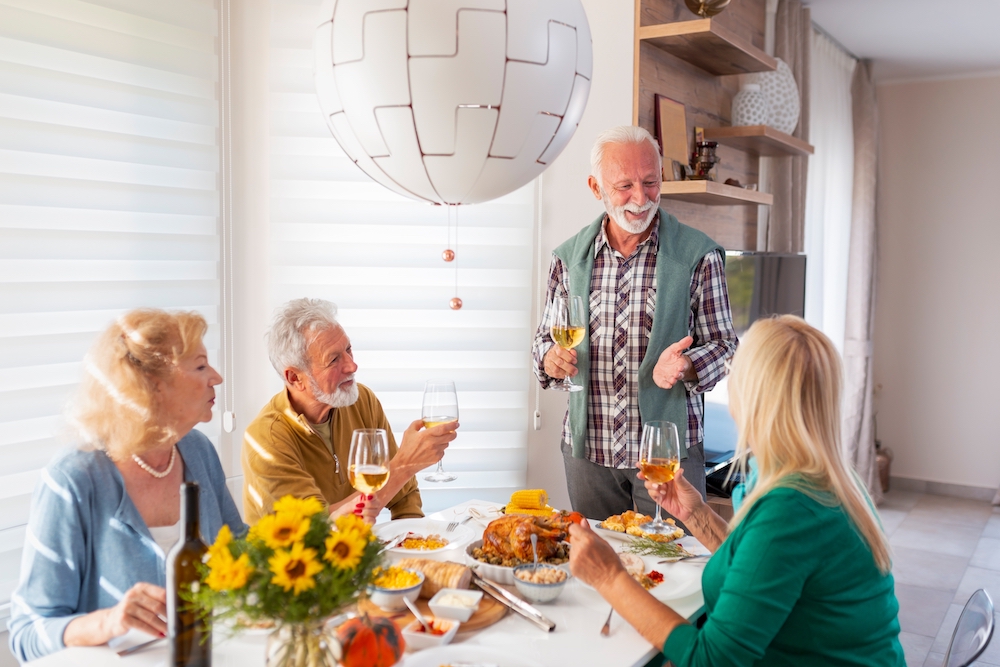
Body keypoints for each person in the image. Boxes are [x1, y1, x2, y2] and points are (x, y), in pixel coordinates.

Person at [569, 315, 905, 667]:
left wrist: (609, 576)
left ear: (753, 399)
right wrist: (697, 514)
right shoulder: (828, 477)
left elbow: (711, 661)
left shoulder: (791, 510)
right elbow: (759, 565)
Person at [8, 309, 245, 664]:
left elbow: (240, 552)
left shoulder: (198, 451)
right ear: (153, 384)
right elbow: (27, 634)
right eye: (200, 366)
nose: (217, 377)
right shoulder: (72, 480)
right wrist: (109, 621)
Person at [531, 125, 737, 520]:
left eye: (650, 182)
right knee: (601, 570)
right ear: (596, 188)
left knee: (673, 569)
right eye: (624, 186)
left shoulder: (699, 255)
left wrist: (687, 364)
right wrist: (549, 360)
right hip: (588, 451)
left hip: (667, 456)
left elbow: (726, 346)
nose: (641, 199)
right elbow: (545, 339)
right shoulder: (567, 257)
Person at [241, 298, 456, 524]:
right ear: (295, 378)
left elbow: (404, 496)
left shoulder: (362, 401)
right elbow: (317, 526)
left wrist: (413, 542)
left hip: (361, 552)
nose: (352, 366)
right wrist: (405, 464)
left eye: (348, 349)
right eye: (334, 359)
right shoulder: (267, 439)